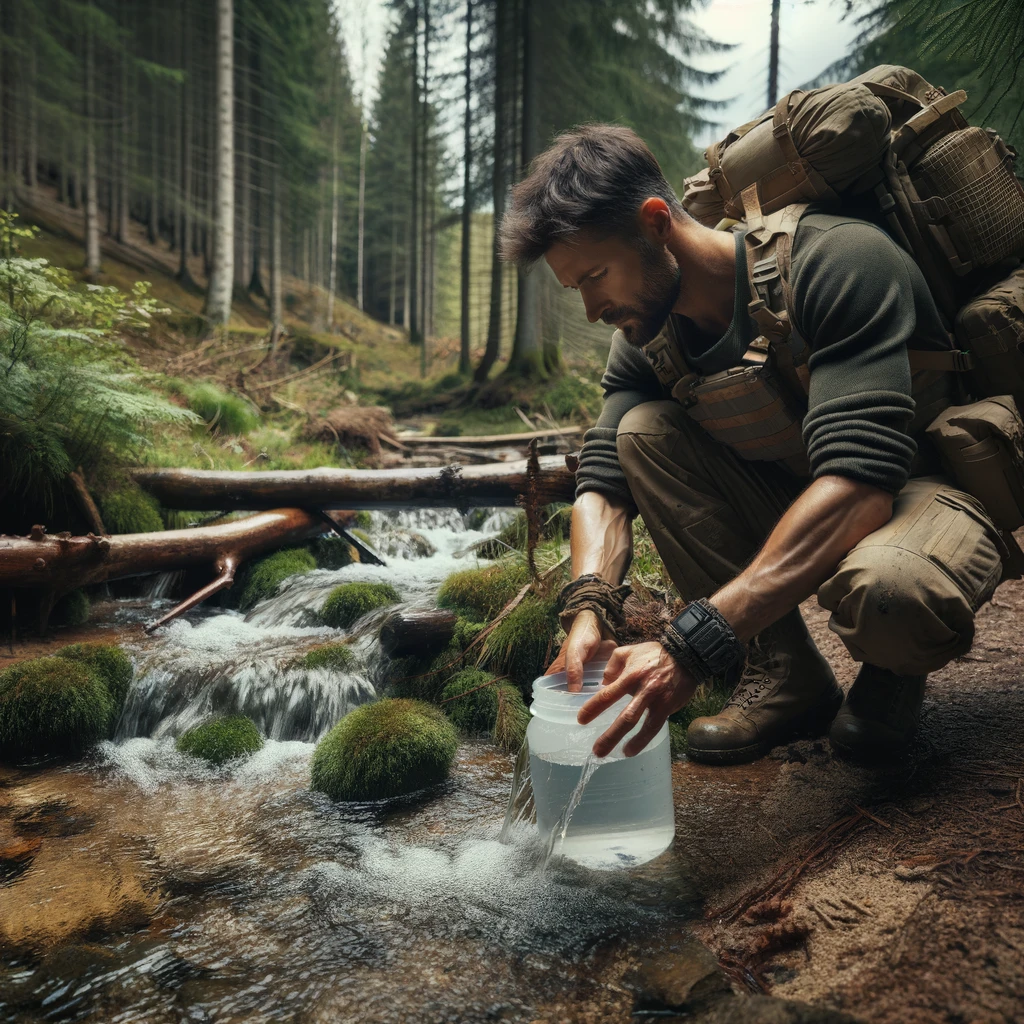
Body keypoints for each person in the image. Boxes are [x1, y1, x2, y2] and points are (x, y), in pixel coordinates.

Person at [498, 124, 1007, 765]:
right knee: (639, 435)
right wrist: (588, 612)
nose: (594, 307)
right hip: (805, 489)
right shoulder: (645, 334)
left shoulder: (839, 260)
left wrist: (692, 644)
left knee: (889, 592)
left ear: (657, 222)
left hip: (911, 494)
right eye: (577, 288)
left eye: (597, 275)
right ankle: (785, 675)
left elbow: (860, 485)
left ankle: (890, 673)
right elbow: (603, 487)